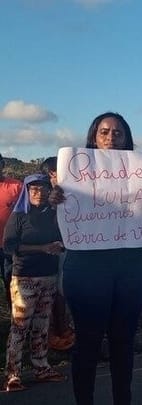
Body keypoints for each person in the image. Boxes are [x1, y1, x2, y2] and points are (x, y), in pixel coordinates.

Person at [49, 112, 142, 405]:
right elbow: (64, 224)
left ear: (127, 139)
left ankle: (123, 400)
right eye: (104, 132)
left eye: (118, 133)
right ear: (94, 137)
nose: (111, 138)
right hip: (87, 270)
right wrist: (55, 201)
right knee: (88, 343)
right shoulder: (73, 178)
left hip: (130, 268)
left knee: (123, 344)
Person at [3, 174, 66, 392]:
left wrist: (57, 246)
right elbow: (9, 246)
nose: (39, 193)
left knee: (41, 325)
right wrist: (42, 248)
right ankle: (12, 374)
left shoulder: (53, 215)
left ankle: (41, 367)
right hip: (25, 277)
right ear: (27, 192)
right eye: (34, 190)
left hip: (48, 276)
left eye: (44, 189)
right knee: (20, 326)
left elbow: (65, 237)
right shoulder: (18, 216)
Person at [40, 157, 75, 351]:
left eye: (58, 171)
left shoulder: (74, 189)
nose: (55, 176)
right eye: (52, 173)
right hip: (53, 250)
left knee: (67, 290)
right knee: (56, 292)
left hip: (74, 247)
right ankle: (58, 330)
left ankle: (67, 328)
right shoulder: (42, 194)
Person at [0, 153, 22, 307]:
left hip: (9, 247)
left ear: (2, 164)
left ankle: (16, 321)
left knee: (12, 285)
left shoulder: (17, 187)